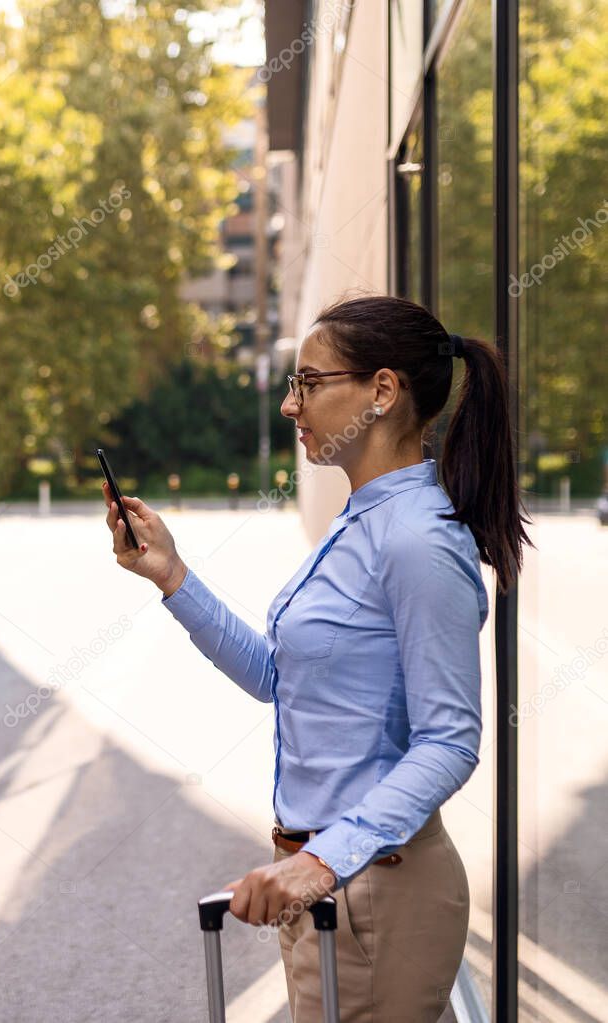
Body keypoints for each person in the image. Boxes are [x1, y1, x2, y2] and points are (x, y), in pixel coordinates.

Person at [102, 294, 534, 1022]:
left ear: (382, 390)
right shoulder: (362, 521)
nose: (288, 405)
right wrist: (171, 575)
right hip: (328, 885)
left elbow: (450, 739)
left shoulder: (413, 541)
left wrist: (322, 859)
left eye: (307, 382)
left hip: (372, 892)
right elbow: (278, 676)